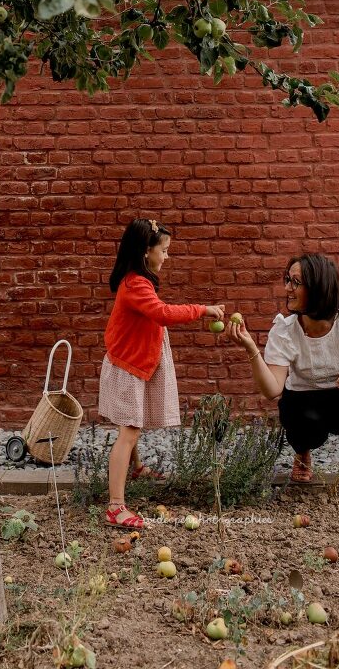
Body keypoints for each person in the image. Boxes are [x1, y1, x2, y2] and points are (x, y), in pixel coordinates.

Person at [227, 253, 339, 498]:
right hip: (304, 406)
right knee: (291, 405)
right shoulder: (285, 331)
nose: (287, 288)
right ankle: (302, 454)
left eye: (295, 282)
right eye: (287, 280)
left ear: (318, 287)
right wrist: (252, 349)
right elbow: (273, 390)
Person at [98, 217, 225, 529]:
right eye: (164, 250)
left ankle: (137, 467)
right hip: (128, 366)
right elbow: (162, 313)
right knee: (130, 429)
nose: (167, 256)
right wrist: (202, 309)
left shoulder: (138, 280)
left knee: (133, 423)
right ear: (146, 251)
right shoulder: (136, 285)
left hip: (136, 361)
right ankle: (115, 506)